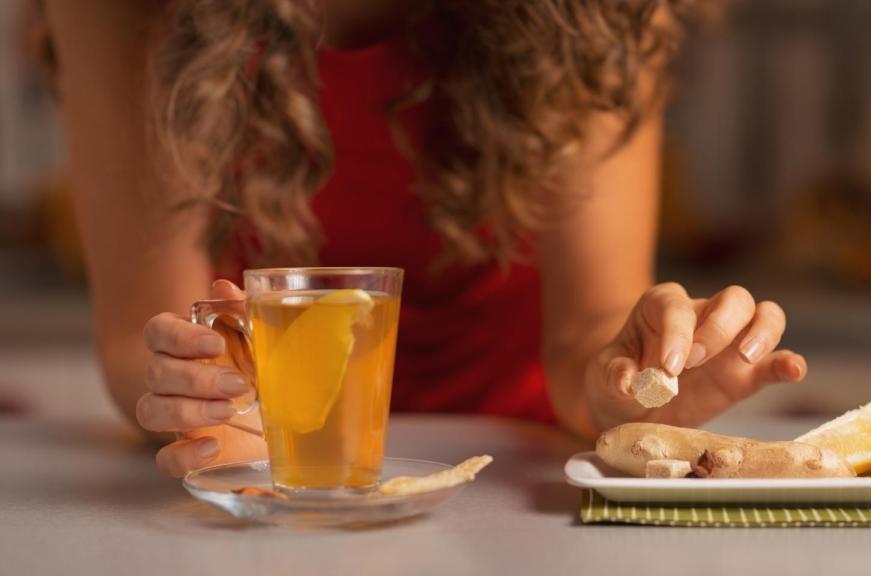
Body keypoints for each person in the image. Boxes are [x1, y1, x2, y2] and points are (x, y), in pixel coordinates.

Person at [45, 0, 806, 477]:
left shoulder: (597, 15)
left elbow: (586, 332)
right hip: (267, 462)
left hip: (515, 476)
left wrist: (631, 383)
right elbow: (139, 333)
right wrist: (202, 395)